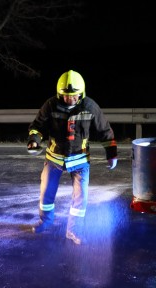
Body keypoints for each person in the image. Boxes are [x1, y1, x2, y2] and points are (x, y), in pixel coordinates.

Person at [26, 70, 118, 245]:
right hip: (54, 159)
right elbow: (37, 126)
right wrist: (34, 140)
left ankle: (74, 230)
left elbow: (105, 131)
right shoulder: (50, 105)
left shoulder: (90, 107)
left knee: (80, 198)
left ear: (81, 93)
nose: (70, 99)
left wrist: (111, 154)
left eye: (74, 96)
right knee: (46, 193)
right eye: (66, 96)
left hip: (80, 161)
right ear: (59, 94)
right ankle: (45, 222)